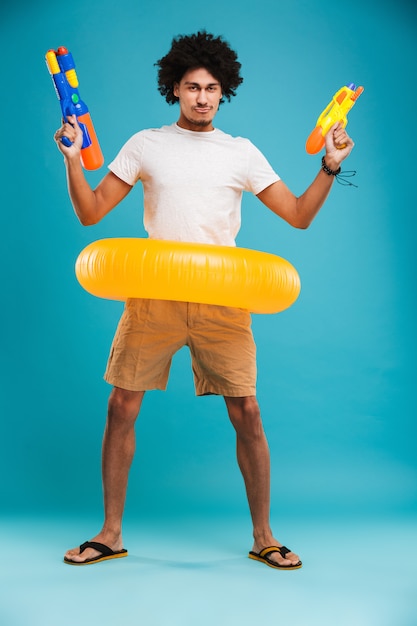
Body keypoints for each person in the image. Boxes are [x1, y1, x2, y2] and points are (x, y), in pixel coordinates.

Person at [56, 31, 354, 569]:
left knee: (248, 412)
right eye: (192, 87)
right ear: (174, 89)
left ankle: (264, 535)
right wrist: (74, 159)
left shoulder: (240, 153)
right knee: (121, 406)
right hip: (154, 295)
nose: (202, 97)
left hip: (222, 300)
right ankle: (109, 532)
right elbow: (91, 212)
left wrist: (329, 163)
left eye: (212, 88)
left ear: (224, 92)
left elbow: (299, 215)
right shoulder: (146, 144)